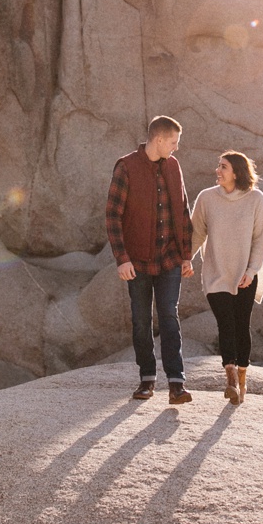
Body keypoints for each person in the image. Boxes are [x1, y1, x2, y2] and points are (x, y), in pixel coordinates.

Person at [106, 115, 195, 404]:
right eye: (173, 142)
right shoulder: (126, 167)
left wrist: (185, 256)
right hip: (138, 263)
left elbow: (182, 211)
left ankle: (176, 383)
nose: (176, 148)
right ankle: (147, 379)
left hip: (169, 259)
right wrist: (122, 258)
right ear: (159, 139)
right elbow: (112, 216)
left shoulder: (173, 166)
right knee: (141, 321)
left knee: (169, 315)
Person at [190, 150, 263, 405]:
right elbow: (197, 233)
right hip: (216, 273)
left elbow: (260, 238)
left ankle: (242, 381)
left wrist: (251, 271)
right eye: (219, 166)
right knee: (225, 323)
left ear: (237, 172)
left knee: (241, 325)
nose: (218, 171)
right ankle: (231, 378)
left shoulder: (256, 199)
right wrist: (184, 258)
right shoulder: (206, 198)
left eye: (223, 167)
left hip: (245, 274)